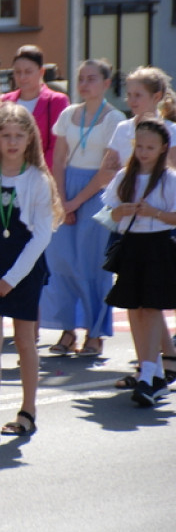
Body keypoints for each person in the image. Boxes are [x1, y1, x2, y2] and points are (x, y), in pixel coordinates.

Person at [0, 104, 63, 440]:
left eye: (18, 136)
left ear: (29, 140)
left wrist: (11, 279)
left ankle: (28, 410)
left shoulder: (38, 180)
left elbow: (41, 234)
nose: (12, 142)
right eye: (6, 135)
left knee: (25, 340)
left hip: (24, 268)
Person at [40, 59, 124, 358]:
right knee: (62, 262)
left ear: (105, 83)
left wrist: (75, 202)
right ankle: (67, 329)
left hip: (97, 195)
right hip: (66, 190)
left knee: (92, 265)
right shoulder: (67, 114)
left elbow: (108, 171)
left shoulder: (114, 120)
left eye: (92, 78)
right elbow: (58, 160)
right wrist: (62, 200)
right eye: (81, 78)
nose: (85, 83)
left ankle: (95, 332)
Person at [102, 67, 176, 388]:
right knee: (136, 302)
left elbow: (168, 173)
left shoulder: (169, 132)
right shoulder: (123, 129)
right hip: (132, 232)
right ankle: (150, 366)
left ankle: (159, 363)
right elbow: (111, 170)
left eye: (138, 94)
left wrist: (157, 212)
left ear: (156, 97)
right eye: (128, 94)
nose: (131, 100)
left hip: (160, 236)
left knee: (152, 301)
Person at [1, 45, 69, 170]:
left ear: (41, 72)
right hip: (9, 174)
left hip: (42, 174)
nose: (22, 77)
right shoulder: (4, 101)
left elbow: (57, 147)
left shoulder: (56, 101)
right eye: (17, 72)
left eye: (28, 72)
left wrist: (36, 173)